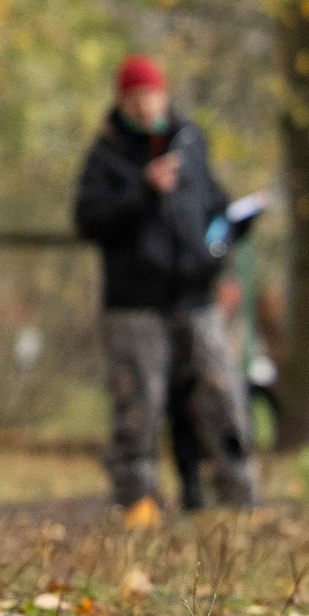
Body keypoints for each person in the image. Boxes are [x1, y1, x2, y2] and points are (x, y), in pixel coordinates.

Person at [73, 55, 256, 512]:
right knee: (140, 410)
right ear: (120, 100)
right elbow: (87, 220)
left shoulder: (191, 142)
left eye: (150, 94)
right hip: (135, 304)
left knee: (222, 398)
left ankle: (238, 501)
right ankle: (137, 507)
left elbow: (214, 206)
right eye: (133, 97)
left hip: (197, 297)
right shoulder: (107, 155)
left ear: (164, 94)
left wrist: (229, 233)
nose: (143, 105)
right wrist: (141, 189)